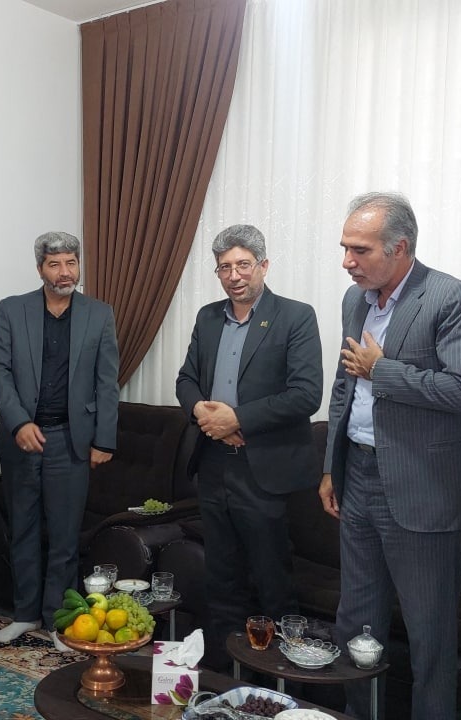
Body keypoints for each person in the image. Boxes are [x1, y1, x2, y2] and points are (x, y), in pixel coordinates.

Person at [319, 193, 461, 719]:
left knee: (429, 636)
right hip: (358, 476)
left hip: (422, 487)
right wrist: (331, 466)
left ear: (399, 247)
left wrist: (382, 370)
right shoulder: (355, 301)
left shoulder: (450, 297)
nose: (347, 261)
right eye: (345, 247)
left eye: (360, 250)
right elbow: (344, 388)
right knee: (355, 622)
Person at [175, 224, 323, 670]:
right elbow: (186, 380)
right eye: (225, 267)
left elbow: (306, 394)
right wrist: (204, 414)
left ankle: (278, 681)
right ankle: (225, 674)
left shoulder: (295, 316)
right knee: (221, 578)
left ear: (263, 265)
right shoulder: (208, 317)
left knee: (271, 580)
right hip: (213, 464)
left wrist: (237, 419)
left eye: (243, 264)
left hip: (264, 470)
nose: (234, 275)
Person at [0, 231, 119, 652]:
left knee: (64, 536)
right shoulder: (12, 310)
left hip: (70, 440)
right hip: (22, 438)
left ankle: (57, 621)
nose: (65, 272)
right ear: (40, 268)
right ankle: (25, 614)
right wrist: (19, 423)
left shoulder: (99, 314)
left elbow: (107, 381)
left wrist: (104, 440)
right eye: (55, 264)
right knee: (23, 529)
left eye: (71, 263)